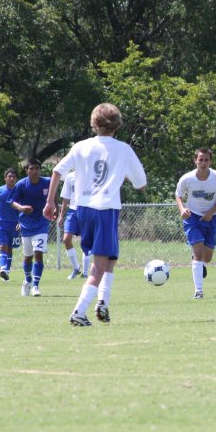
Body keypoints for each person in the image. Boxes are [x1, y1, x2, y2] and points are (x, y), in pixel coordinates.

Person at [44, 103, 147, 326]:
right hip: (105, 210)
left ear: (94, 123)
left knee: (110, 257)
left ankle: (103, 303)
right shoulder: (123, 149)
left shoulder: (81, 146)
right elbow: (141, 183)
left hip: (83, 209)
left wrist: (50, 202)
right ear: (118, 124)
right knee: (98, 266)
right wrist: (122, 174)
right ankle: (79, 312)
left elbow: (57, 171)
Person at [175, 148, 216, 299]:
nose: (203, 163)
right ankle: (198, 291)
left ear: (210, 161)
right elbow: (178, 195)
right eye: (200, 160)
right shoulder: (187, 178)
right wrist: (182, 210)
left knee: (207, 258)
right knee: (198, 252)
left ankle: (201, 264)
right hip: (193, 218)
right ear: (195, 161)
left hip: (213, 219)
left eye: (206, 160)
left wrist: (211, 212)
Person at [7, 158, 52, 297]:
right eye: (31, 168)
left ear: (40, 170)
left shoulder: (47, 182)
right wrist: (21, 208)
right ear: (26, 170)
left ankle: (36, 286)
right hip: (26, 225)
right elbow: (11, 201)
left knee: (38, 253)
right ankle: (27, 279)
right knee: (28, 257)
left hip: (42, 223)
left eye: (37, 168)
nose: (34, 171)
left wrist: (54, 208)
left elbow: (53, 196)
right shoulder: (21, 184)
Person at [0, 167, 20, 281]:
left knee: (10, 248)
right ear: (5, 178)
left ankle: (6, 271)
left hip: (14, 224)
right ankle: (3, 268)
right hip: (0, 223)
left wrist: (21, 222)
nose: (11, 178)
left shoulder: (19, 191)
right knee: (2, 246)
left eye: (14, 177)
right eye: (9, 176)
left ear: (16, 179)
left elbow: (22, 208)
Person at [58, 170, 90, 279]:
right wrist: (61, 216)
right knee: (66, 239)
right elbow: (65, 198)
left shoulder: (90, 173)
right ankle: (76, 268)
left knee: (86, 241)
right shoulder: (70, 176)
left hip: (87, 210)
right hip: (72, 211)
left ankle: (85, 272)